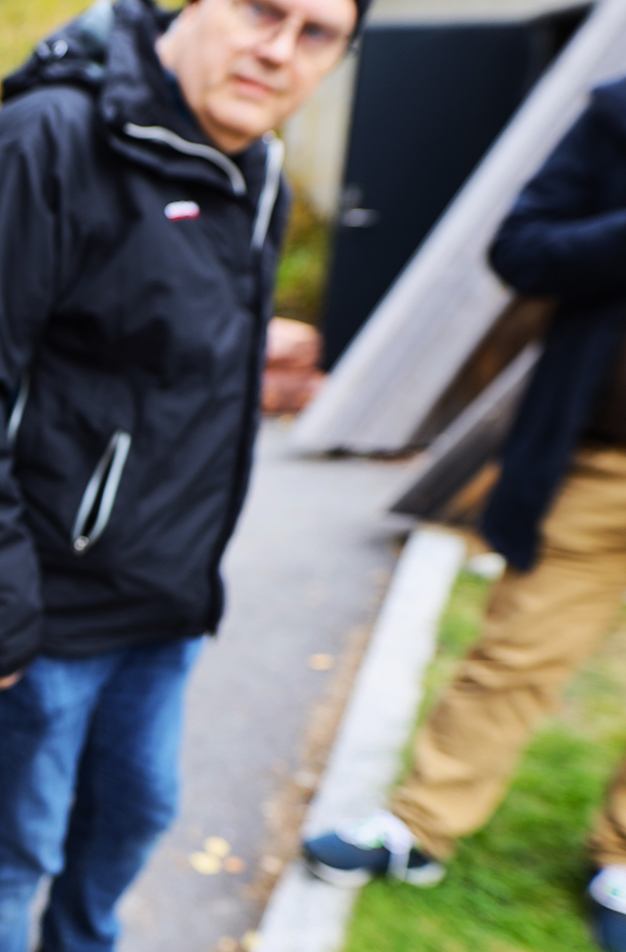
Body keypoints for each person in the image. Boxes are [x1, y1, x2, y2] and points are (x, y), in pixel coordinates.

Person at [0, 0, 396, 950]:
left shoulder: (254, 165)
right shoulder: (43, 143)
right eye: (257, 9)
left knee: (131, 816)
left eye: (316, 33)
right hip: (42, 609)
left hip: (169, 602)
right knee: (9, 858)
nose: (278, 51)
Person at [304, 75, 626, 951]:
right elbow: (523, 249)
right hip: (599, 460)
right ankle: (423, 826)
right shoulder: (615, 113)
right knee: (514, 655)